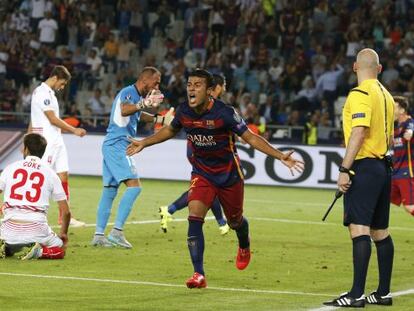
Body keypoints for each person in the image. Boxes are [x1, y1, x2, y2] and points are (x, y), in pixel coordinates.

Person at [127, 69, 304, 288]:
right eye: (189, 84)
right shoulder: (184, 111)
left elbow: (250, 137)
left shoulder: (225, 113)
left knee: (235, 221)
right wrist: (144, 142)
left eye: (197, 85)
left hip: (229, 176)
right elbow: (170, 131)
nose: (191, 88)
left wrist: (279, 155)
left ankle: (244, 243)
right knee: (194, 216)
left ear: (210, 91)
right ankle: (198, 274)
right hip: (202, 173)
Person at [324, 49, 395, 307]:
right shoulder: (387, 96)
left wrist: (344, 169)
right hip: (384, 167)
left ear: (355, 67)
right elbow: (388, 137)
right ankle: (383, 293)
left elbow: (359, 131)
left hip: (364, 167)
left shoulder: (360, 93)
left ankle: (355, 295)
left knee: (359, 230)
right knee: (381, 232)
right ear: (380, 68)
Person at [91, 67, 174, 249]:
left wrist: (159, 120)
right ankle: (117, 232)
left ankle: (98, 235)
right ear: (145, 80)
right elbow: (125, 110)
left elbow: (136, 114)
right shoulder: (128, 92)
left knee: (110, 190)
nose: (157, 86)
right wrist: (144, 103)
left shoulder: (136, 96)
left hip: (113, 144)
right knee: (135, 187)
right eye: (156, 82)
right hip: (119, 144)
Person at [159, 73, 230, 235]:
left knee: (206, 187)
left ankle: (169, 210)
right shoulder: (203, 103)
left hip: (200, 149)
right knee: (209, 185)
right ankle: (221, 222)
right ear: (216, 87)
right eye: (224, 85)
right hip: (197, 150)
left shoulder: (216, 105)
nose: (225, 89)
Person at [29, 65, 87, 227]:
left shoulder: (50, 94)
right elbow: (52, 119)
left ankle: (65, 216)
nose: (62, 87)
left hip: (56, 140)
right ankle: (33, 214)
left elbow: (33, 117)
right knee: (41, 178)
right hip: (46, 141)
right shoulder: (42, 93)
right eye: (62, 83)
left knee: (63, 175)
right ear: (55, 78)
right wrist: (74, 130)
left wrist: (26, 137)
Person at [0, 133, 71, 260]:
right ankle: (39, 252)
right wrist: (64, 233)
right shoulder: (50, 173)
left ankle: (7, 247)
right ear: (43, 151)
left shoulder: (10, 168)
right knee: (60, 248)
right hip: (36, 229)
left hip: (8, 228)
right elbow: (66, 212)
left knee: (10, 238)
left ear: (26, 149)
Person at [391, 96, 414, 216]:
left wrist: (410, 133)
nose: (391, 110)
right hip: (395, 172)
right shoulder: (396, 127)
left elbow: (411, 128)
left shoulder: (409, 123)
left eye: (393, 107)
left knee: (410, 207)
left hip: (407, 172)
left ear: (402, 110)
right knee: (381, 199)